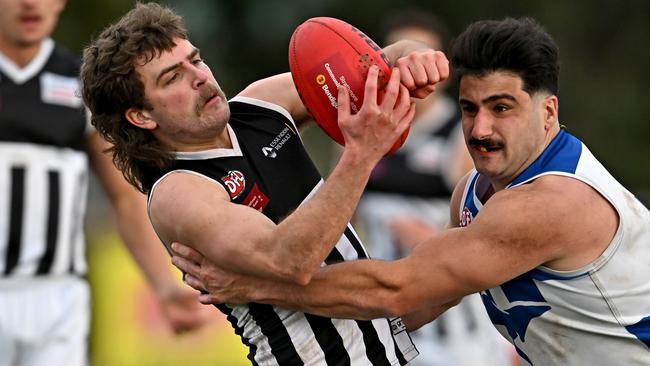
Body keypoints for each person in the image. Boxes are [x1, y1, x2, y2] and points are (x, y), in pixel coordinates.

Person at [172, 17, 650, 366]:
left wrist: (257, 288)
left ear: (548, 113)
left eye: (501, 108)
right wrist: (396, 57)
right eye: (468, 108)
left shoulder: (554, 202)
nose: (479, 129)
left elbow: (395, 290)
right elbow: (428, 299)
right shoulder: (472, 192)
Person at [79, 2, 449, 365]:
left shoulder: (261, 105)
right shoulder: (178, 191)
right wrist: (363, 153)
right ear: (141, 116)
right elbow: (291, 260)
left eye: (196, 59)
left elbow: (370, 65)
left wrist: (415, 57)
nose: (200, 77)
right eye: (173, 77)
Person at [0, 0, 212, 365]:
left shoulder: (77, 84)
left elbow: (124, 197)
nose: (29, 3)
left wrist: (163, 284)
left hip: (58, 298)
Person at [355, 10, 516, 366]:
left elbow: (500, 237)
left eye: (424, 58)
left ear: (443, 69)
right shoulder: (357, 132)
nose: (413, 72)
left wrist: (434, 241)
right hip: (391, 322)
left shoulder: (466, 137)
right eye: (402, 59)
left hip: (458, 334)